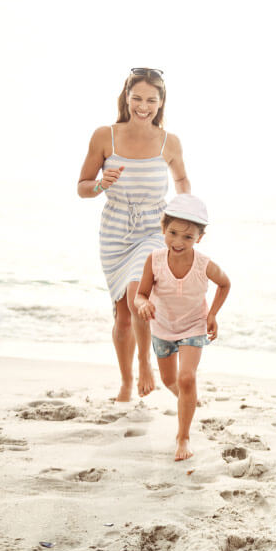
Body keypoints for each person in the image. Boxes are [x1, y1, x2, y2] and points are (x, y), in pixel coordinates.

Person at [77, 68, 191, 403]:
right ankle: (126, 383)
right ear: (126, 97)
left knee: (135, 292)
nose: (143, 106)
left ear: (161, 102)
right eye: (137, 98)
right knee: (122, 317)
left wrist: (185, 216)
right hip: (114, 232)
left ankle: (145, 363)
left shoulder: (169, 141)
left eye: (151, 100)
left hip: (154, 228)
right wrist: (100, 184)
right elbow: (82, 187)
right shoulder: (104, 136)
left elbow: (182, 181)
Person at [134, 194, 230, 461]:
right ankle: (187, 400)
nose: (178, 242)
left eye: (187, 237)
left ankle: (183, 437)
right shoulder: (153, 260)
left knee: (186, 378)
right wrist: (142, 304)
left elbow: (225, 284)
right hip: (162, 327)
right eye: (173, 233)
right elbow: (140, 294)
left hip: (193, 326)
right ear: (163, 228)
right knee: (169, 380)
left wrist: (212, 314)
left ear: (199, 238)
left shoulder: (204, 264)